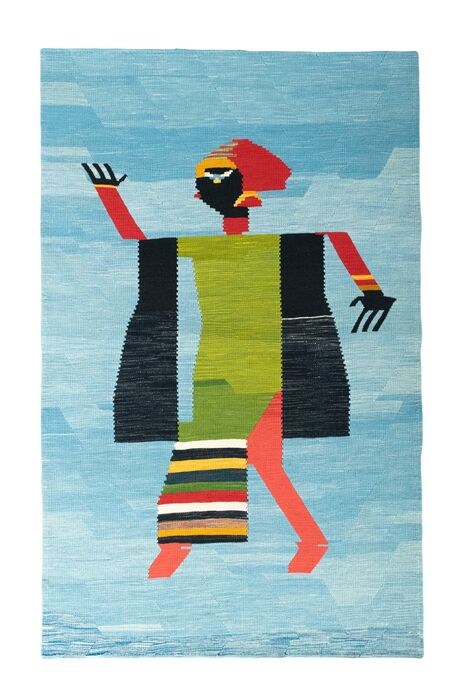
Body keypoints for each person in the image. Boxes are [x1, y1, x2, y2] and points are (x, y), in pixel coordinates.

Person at [82, 139, 395, 578]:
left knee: (201, 453)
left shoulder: (276, 243)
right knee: (260, 460)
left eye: (216, 174)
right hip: (214, 368)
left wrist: (372, 289)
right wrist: (109, 195)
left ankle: (177, 549)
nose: (204, 187)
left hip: (260, 369)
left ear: (246, 181)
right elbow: (142, 241)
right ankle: (309, 541)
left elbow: (334, 236)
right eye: (202, 179)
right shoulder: (205, 246)